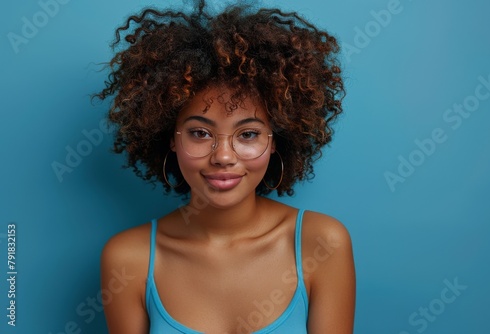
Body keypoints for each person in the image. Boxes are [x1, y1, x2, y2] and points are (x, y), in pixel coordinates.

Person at [98, 1, 355, 333]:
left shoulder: (321, 244)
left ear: (276, 140)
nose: (223, 156)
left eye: (247, 134)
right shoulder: (128, 260)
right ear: (171, 139)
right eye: (200, 133)